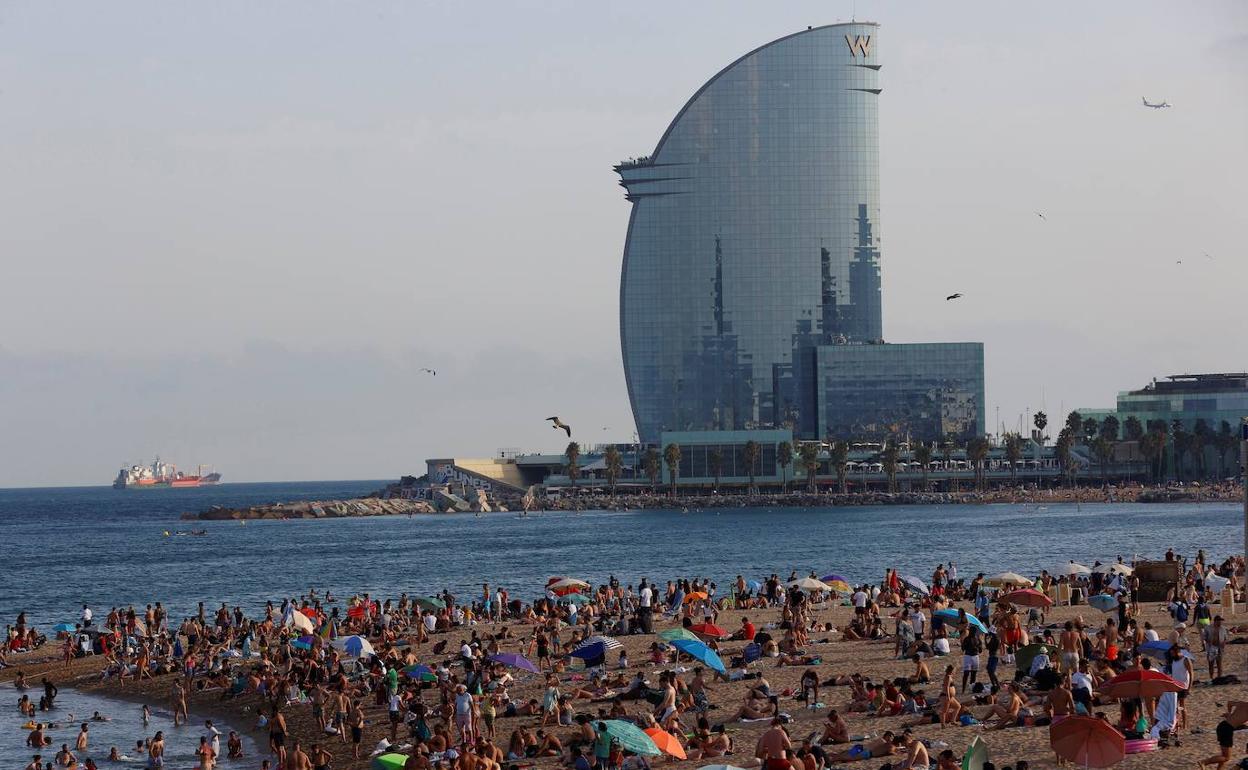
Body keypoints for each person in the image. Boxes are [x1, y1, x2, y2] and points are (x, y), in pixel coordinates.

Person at [1203, 615, 1227, 680]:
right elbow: (1204, 637)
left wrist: (1224, 643)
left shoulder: (1223, 628)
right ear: (1215, 621)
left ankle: (1219, 678)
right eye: (1219, 621)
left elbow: (1225, 638)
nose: (1220, 622)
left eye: (1221, 621)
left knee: (1219, 664)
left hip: (1220, 648)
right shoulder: (1208, 628)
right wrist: (1209, 641)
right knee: (1211, 664)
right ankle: (1211, 678)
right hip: (1211, 647)